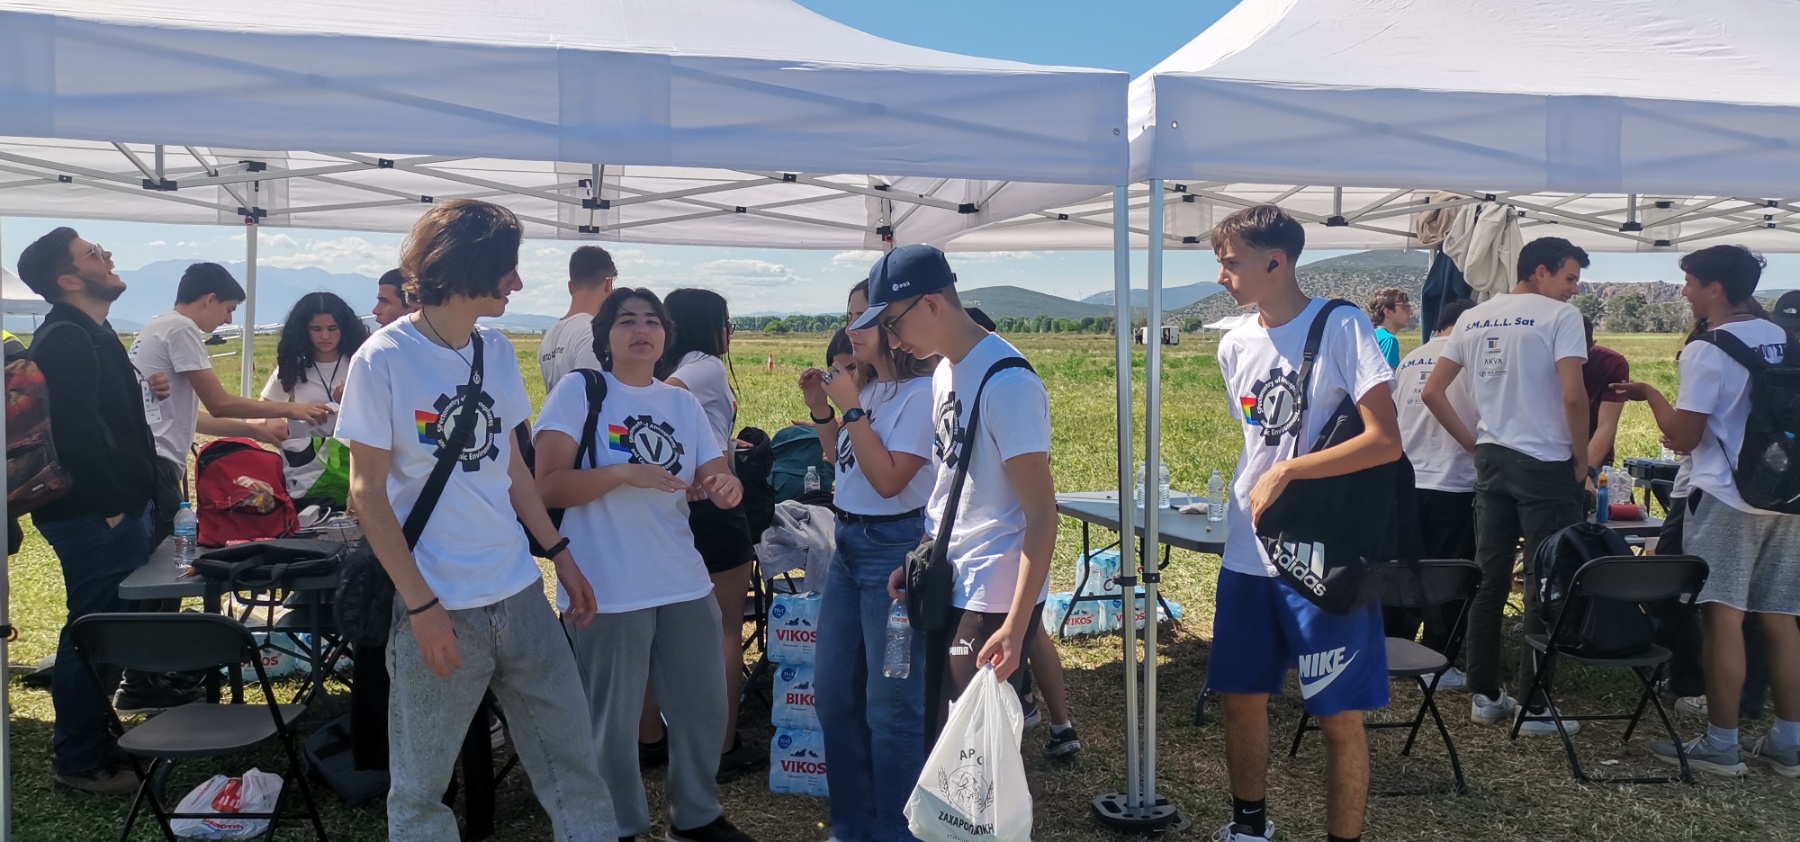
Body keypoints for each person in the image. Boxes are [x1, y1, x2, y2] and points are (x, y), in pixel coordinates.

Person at [335, 199, 617, 839]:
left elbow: (513, 469)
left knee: (576, 768)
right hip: (438, 607)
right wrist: (422, 606)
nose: (517, 282)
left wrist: (560, 554)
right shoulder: (382, 358)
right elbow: (366, 495)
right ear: (466, 267)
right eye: (507, 268)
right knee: (421, 792)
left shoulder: (495, 350)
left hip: (520, 596)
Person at [1203, 206, 1400, 842]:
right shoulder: (1233, 344)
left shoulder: (1341, 325)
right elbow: (1257, 439)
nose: (1221, 275)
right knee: (1241, 698)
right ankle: (1248, 827)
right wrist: (1270, 474)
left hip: (1321, 550)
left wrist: (1290, 471)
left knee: (1338, 715)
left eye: (1231, 262)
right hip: (1247, 549)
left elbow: (1385, 440)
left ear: (1276, 260)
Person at [535, 287, 756, 842]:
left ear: (666, 334)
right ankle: (620, 824)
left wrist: (723, 486)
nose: (641, 330)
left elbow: (711, 473)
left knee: (703, 705)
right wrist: (621, 473)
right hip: (606, 583)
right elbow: (547, 486)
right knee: (612, 720)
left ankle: (696, 816)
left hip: (681, 577)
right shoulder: (580, 391)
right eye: (627, 320)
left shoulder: (680, 403)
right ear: (605, 336)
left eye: (652, 321)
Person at [1610, 245, 1800, 778]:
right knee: (1781, 616)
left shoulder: (1707, 348)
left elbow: (1683, 436)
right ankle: (1789, 742)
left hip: (1726, 496)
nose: (1686, 291)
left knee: (1722, 617)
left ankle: (1722, 744)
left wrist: (1650, 394)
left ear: (1715, 288)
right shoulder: (1785, 339)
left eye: (1690, 282)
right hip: (1788, 496)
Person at [851, 245, 1055, 734]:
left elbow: (1042, 515)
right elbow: (952, 480)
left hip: (993, 589)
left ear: (931, 304)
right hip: (953, 574)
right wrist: (926, 551)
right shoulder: (945, 370)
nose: (892, 342)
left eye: (893, 325)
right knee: (948, 733)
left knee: (978, 745)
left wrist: (1016, 626)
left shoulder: (1008, 384)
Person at [16, 229, 165, 795]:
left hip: (112, 512)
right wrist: (110, 509)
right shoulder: (67, 339)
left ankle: (96, 745)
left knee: (105, 636)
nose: (108, 256)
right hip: (95, 516)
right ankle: (80, 762)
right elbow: (76, 434)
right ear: (68, 280)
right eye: (93, 254)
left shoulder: (89, 333)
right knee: (92, 637)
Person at [1423, 236, 1590, 736]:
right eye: (1569, 278)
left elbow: (1433, 391)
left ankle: (1485, 694)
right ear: (1540, 271)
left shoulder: (1474, 316)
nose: (1574, 289)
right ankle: (1534, 707)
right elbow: (1574, 395)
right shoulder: (1560, 318)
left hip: (1492, 459)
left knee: (1489, 578)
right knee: (1544, 579)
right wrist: (1581, 459)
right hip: (1545, 462)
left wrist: (1474, 444)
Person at [804, 280, 936, 842]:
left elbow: (888, 481)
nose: (850, 329)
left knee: (891, 707)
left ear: (892, 327)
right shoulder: (873, 389)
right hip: (849, 544)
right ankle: (853, 826)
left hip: (893, 549)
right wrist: (823, 410)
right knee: (834, 694)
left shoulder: (921, 394)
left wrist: (849, 407)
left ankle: (896, 832)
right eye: (849, 315)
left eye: (863, 318)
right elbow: (842, 460)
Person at [130, 263, 328, 538]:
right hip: (157, 462)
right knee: (168, 550)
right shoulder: (181, 328)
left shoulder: (159, 326)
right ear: (210, 299)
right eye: (229, 309)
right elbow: (219, 404)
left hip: (149, 460)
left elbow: (193, 419)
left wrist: (254, 431)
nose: (228, 321)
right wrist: (293, 408)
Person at [662, 287, 761, 779]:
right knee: (724, 629)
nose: (730, 332)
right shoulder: (704, 366)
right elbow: (668, 398)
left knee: (665, 628)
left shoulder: (667, 364)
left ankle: (652, 738)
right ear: (706, 325)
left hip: (674, 511)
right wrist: (709, 462)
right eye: (726, 321)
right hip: (714, 510)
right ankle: (722, 745)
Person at [1388, 298, 1479, 678]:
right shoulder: (1470, 359)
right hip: (1454, 482)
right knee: (1450, 578)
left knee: (1402, 572)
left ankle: (1393, 651)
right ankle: (1437, 662)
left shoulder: (1410, 359)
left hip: (1407, 482)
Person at [260, 292, 370, 500]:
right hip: (306, 474)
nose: (325, 336)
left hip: (356, 466)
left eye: (332, 328)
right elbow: (262, 408)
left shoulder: (361, 364)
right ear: (303, 330)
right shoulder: (293, 367)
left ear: (344, 328)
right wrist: (272, 420)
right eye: (316, 329)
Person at [539, 246, 617, 390]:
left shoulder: (549, 337)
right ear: (608, 283)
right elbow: (596, 394)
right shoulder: (591, 333)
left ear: (570, 287)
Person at [1582, 316, 1631, 475]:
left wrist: (1587, 473)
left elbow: (1606, 425)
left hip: (1593, 457)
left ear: (1592, 345)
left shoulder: (1611, 363)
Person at [1366, 287, 1412, 369]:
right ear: (1387, 311)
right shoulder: (1388, 340)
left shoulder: (1371, 335)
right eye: (1405, 307)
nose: (1410, 312)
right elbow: (1386, 375)